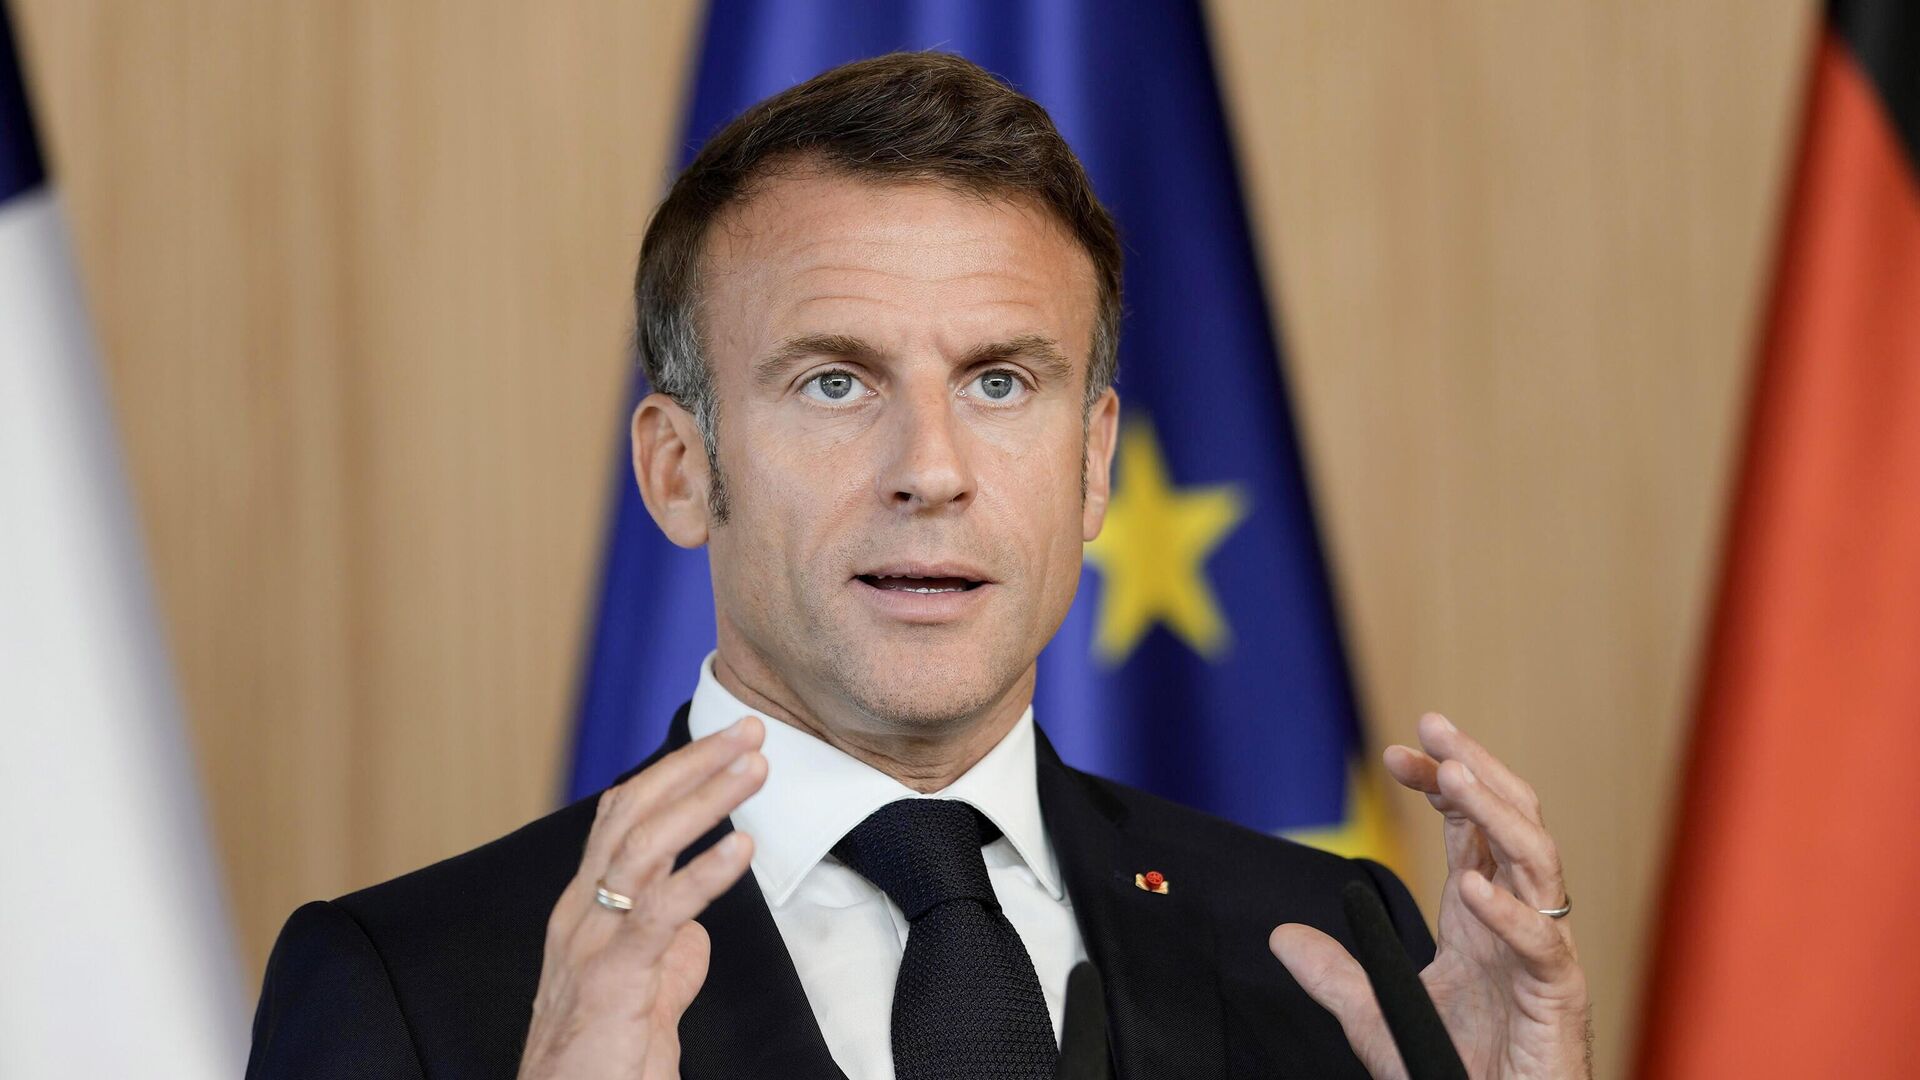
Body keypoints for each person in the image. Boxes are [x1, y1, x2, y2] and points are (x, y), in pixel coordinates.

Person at [246, 52, 1589, 1080]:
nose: (931, 469)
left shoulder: (1329, 951)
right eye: (835, 382)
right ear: (679, 469)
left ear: (1093, 464)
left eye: (1001, 382)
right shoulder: (412, 987)